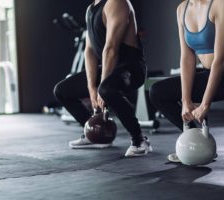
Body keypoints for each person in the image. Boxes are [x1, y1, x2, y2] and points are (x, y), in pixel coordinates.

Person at [149, 0, 224, 173]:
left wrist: (205, 104)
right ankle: (197, 143)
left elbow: (220, 60)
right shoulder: (181, 10)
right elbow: (187, 57)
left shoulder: (221, 4)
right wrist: (186, 100)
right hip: (212, 73)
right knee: (158, 92)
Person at [53, 0, 152, 157]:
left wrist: (100, 88)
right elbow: (90, 50)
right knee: (62, 90)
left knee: (106, 89)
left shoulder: (117, 3)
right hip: (109, 67)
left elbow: (111, 48)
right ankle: (94, 133)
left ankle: (139, 140)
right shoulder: (90, 9)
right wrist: (91, 87)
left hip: (131, 68)